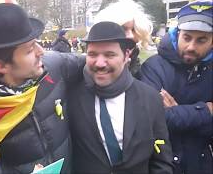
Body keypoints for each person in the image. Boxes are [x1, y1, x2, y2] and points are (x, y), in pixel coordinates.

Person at [0, 3, 85, 173]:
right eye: (29, 50)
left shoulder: (55, 66)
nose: (41, 51)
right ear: (1, 66)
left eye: (37, 43)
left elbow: (95, 63)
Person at [68, 21, 174, 173]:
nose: (99, 63)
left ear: (126, 56)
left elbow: (161, 160)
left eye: (109, 55)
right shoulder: (72, 96)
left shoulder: (150, 98)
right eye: (92, 54)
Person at [140, 0, 213, 174]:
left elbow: (169, 118)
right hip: (163, 164)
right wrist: (206, 111)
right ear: (178, 33)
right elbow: (153, 119)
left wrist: (177, 113)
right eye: (187, 38)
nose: (191, 47)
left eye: (201, 40)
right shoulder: (153, 67)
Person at [94, 0, 154, 78]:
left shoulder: (143, 70)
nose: (130, 35)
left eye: (133, 30)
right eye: (123, 28)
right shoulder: (89, 66)